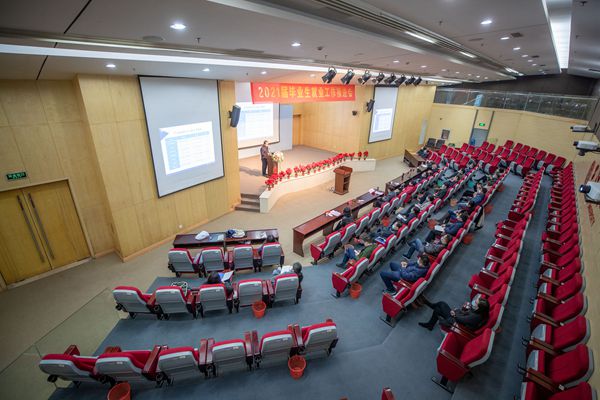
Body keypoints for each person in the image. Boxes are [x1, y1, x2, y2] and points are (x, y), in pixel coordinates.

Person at [418, 297, 490, 331]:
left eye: (475, 302)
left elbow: (461, 320)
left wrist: (454, 314)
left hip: (455, 322)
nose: (473, 302)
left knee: (441, 304)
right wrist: (457, 311)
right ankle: (430, 324)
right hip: (459, 317)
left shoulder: (475, 317)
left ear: (478, 307)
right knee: (438, 309)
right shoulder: (479, 311)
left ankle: (430, 306)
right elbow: (467, 312)